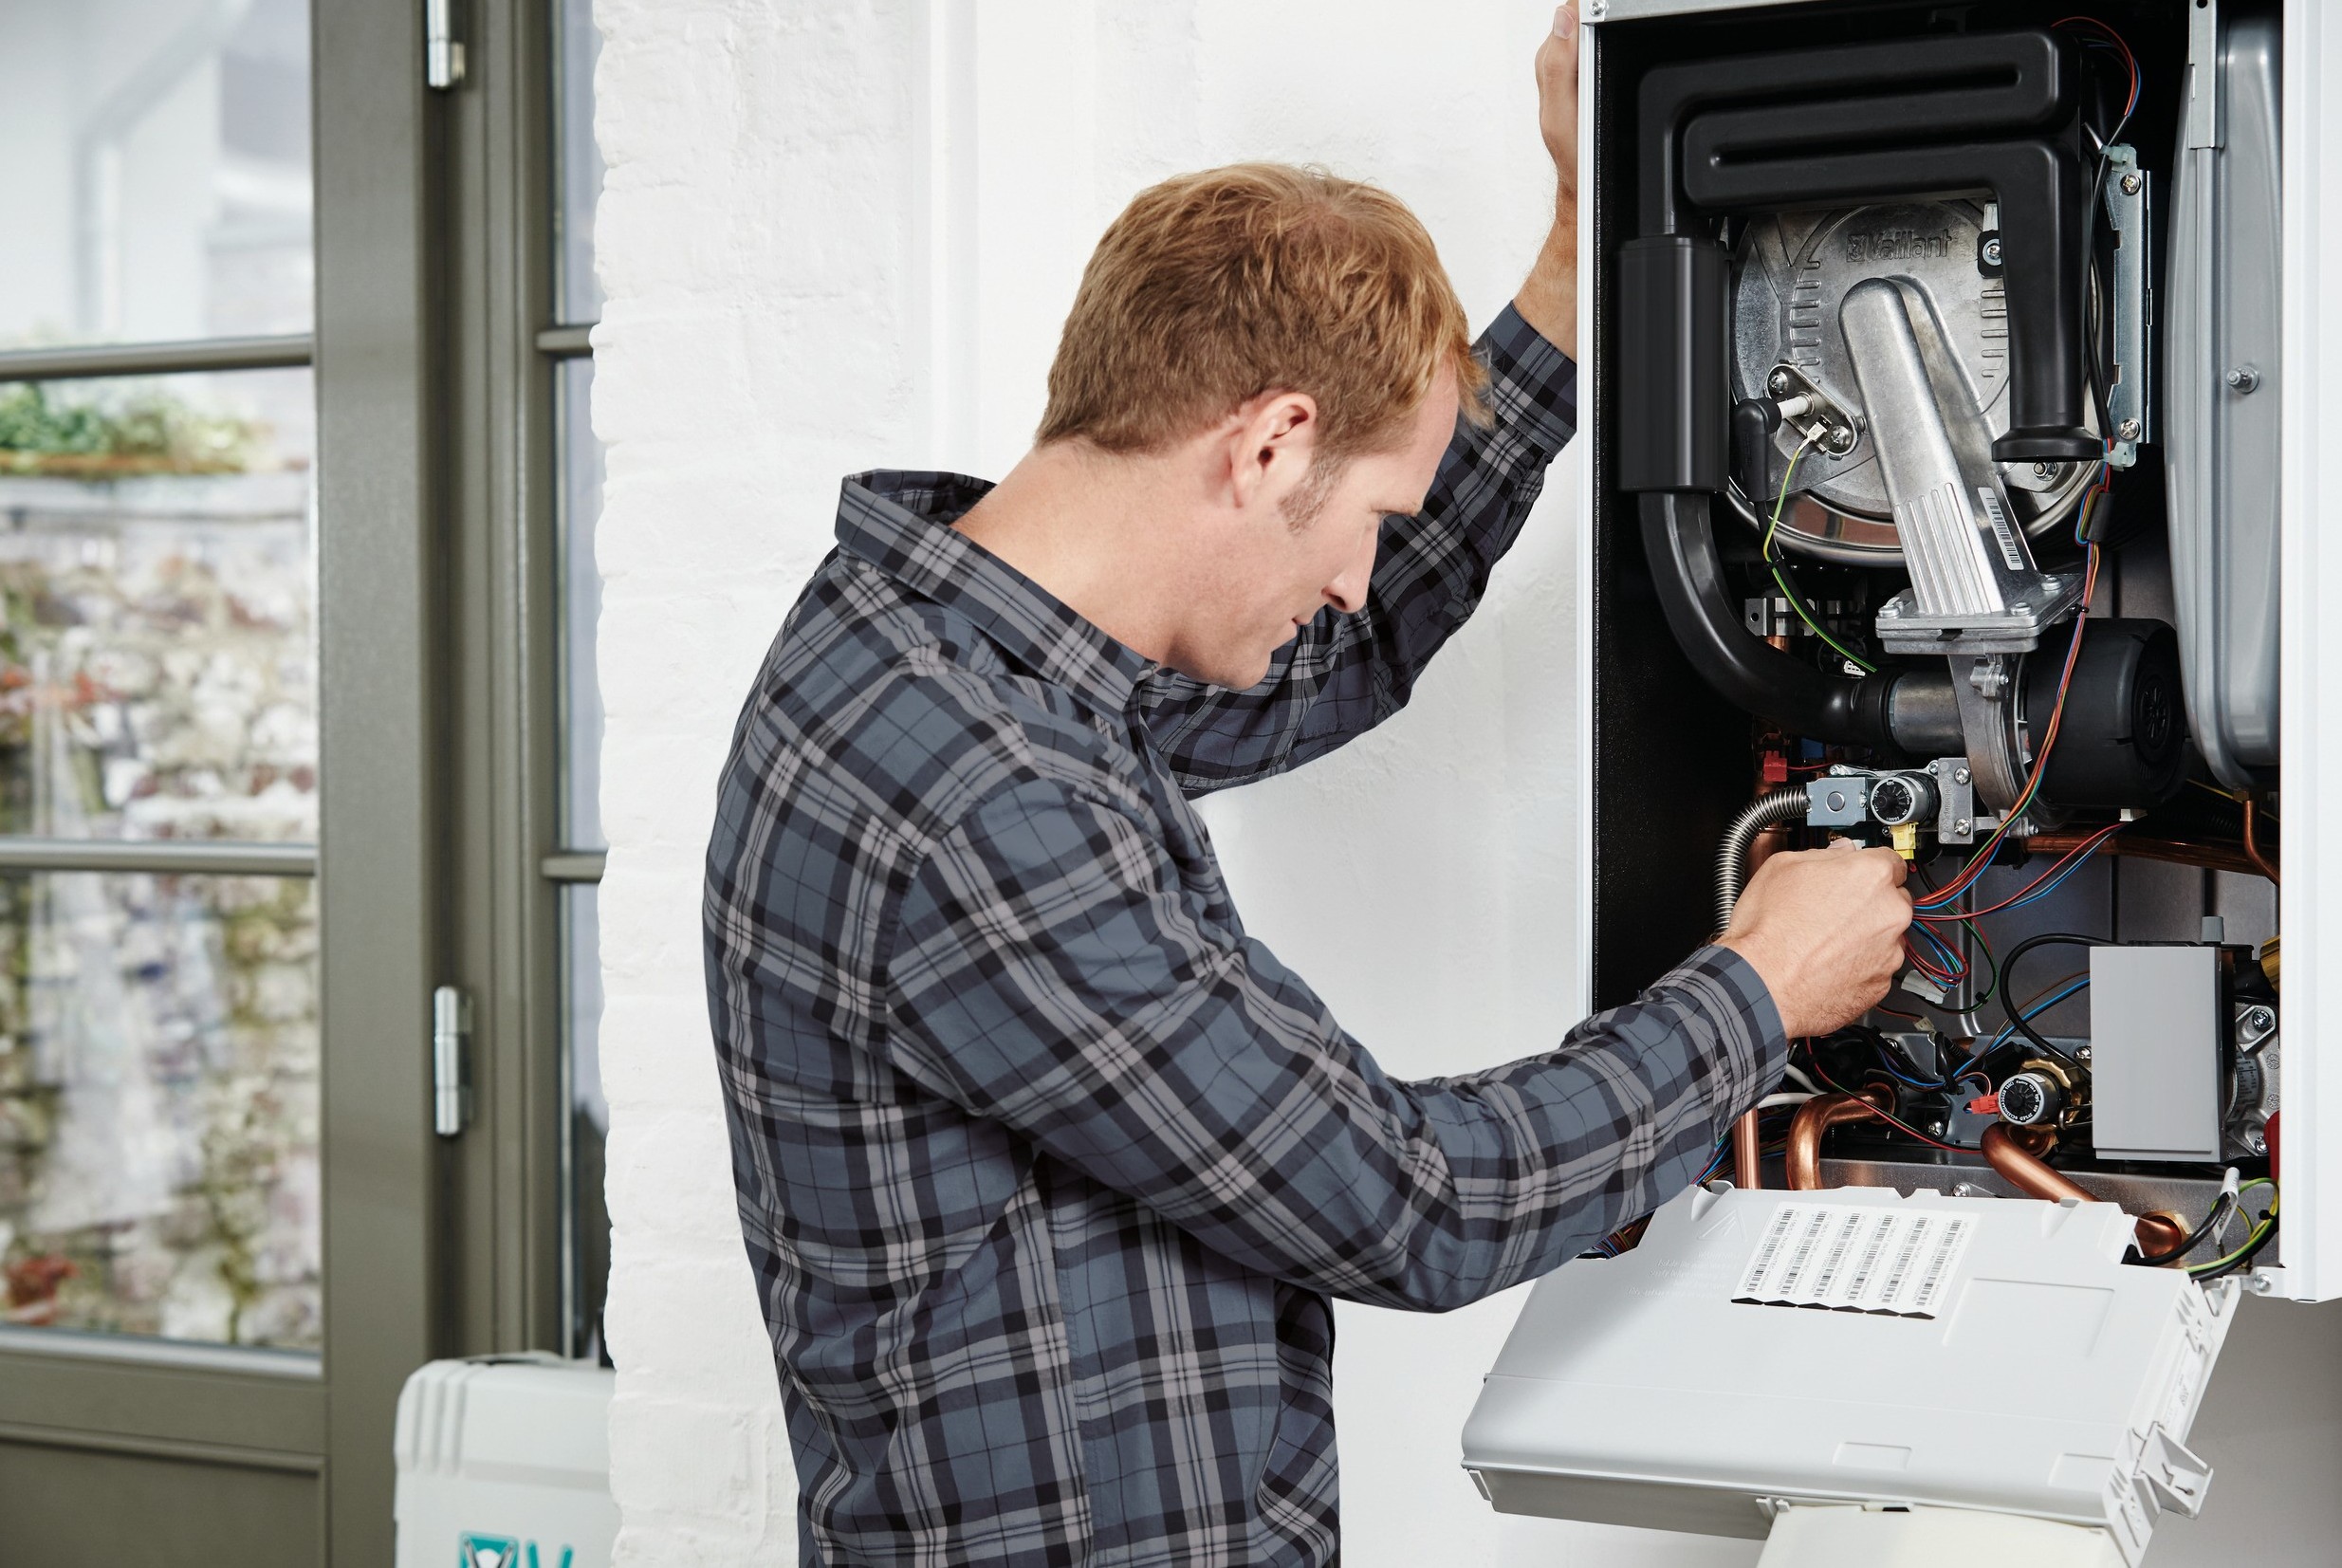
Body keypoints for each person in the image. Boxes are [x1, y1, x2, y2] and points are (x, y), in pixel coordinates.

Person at [702, 7, 1911, 1564]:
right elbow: (1402, 1202)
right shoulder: (978, 796)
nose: (1354, 582)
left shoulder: (942, 647)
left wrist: (1566, 252)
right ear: (1270, 445)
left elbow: (1339, 652)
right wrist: (1755, 989)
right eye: (1364, 514)